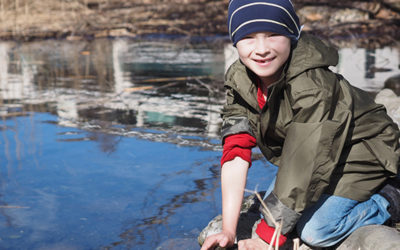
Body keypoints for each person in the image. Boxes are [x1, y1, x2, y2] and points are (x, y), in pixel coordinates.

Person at [201, 0, 400, 249]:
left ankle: (389, 197)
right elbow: (236, 151)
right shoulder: (240, 78)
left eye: (273, 34)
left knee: (317, 231)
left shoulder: (312, 85)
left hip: (363, 152)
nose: (261, 49)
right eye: (248, 37)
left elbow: (305, 161)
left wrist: (268, 238)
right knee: (275, 210)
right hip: (319, 152)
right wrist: (229, 231)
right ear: (234, 41)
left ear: (292, 34)